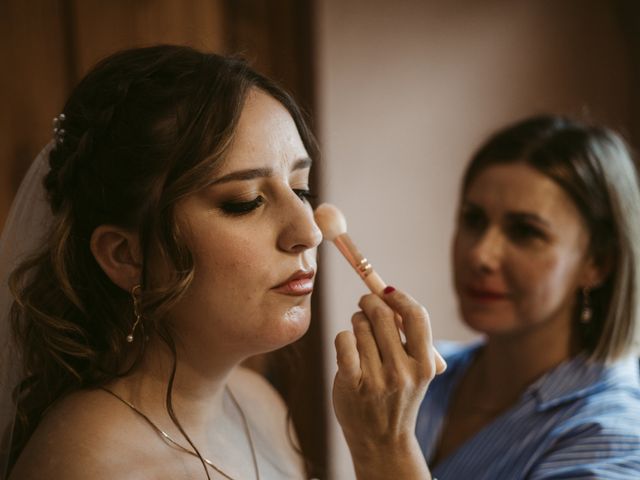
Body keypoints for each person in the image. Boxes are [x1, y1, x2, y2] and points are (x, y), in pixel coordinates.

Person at [0, 44, 444, 480]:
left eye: (302, 190)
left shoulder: (257, 405)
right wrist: (384, 449)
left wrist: (387, 443)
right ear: (126, 256)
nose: (308, 231)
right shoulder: (87, 468)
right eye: (245, 202)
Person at [415, 115, 640, 479]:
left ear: (597, 263)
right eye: (473, 220)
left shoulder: (612, 433)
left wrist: (384, 445)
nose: (480, 255)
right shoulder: (428, 379)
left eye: (525, 232)